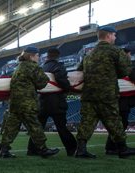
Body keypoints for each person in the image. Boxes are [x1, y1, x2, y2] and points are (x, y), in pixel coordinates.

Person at [76, 26, 135, 159]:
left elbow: (79, 72)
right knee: (114, 120)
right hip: (107, 93)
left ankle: (80, 150)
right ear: (109, 35)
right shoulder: (115, 51)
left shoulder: (88, 54)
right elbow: (126, 71)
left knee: (87, 122)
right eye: (114, 35)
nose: (115, 38)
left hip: (89, 94)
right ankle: (122, 148)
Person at [0, 46, 60, 158]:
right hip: (27, 103)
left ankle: (4, 150)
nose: (38, 58)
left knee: (12, 127)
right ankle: (43, 149)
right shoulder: (33, 67)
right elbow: (42, 83)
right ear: (32, 56)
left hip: (15, 103)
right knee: (34, 126)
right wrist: (47, 78)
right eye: (37, 55)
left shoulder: (18, 67)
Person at [27, 48, 77, 156]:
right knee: (61, 127)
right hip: (56, 101)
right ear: (57, 56)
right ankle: (72, 148)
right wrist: (67, 88)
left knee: (39, 128)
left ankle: (32, 149)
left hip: (43, 101)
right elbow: (61, 79)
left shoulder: (42, 67)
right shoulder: (58, 66)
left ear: (48, 56)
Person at [105, 45, 135, 155]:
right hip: (122, 100)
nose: (130, 56)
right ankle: (113, 147)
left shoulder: (113, 65)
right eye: (129, 54)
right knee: (121, 124)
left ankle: (112, 147)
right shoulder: (124, 66)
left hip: (115, 98)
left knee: (119, 124)